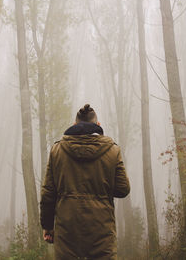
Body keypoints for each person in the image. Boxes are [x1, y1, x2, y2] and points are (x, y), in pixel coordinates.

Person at [40, 104, 130, 260]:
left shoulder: (57, 150)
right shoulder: (112, 151)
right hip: (102, 232)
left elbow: (48, 194)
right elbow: (123, 189)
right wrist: (102, 187)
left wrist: (47, 226)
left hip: (67, 232)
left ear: (75, 125)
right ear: (98, 125)